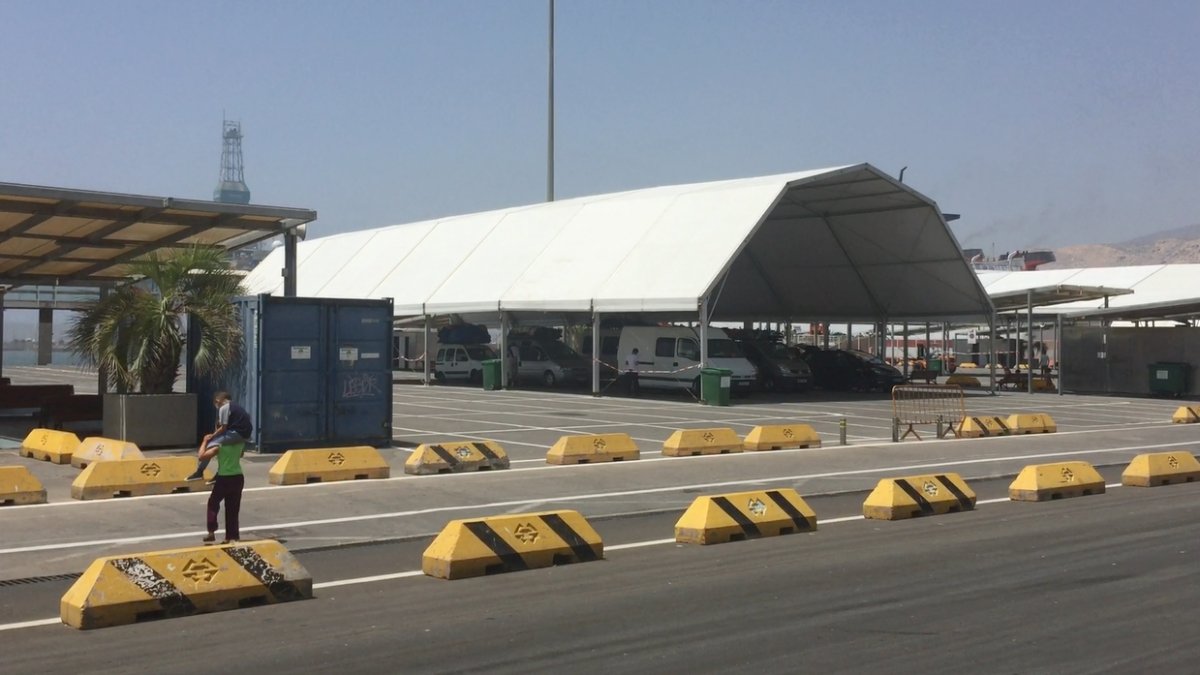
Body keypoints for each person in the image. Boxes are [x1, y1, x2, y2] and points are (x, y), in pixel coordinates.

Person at [196, 392, 250, 544]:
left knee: (213, 503)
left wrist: (205, 441)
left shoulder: (219, 445)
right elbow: (240, 455)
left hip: (224, 478)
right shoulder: (239, 442)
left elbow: (202, 456)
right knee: (233, 509)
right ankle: (232, 537)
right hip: (238, 477)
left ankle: (211, 531)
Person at [187, 392, 252, 481]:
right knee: (225, 448)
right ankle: (219, 473)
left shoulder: (224, 408)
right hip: (244, 434)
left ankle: (199, 472)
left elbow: (223, 428)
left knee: (211, 445)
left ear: (217, 401)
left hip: (236, 433)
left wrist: (212, 436)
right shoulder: (237, 407)